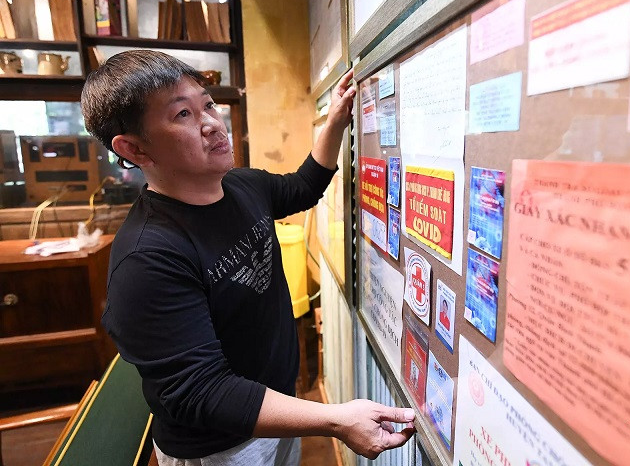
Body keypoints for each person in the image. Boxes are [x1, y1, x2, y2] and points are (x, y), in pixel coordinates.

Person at [81, 50, 415, 466]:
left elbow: (303, 187)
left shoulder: (241, 185)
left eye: (208, 105)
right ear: (134, 149)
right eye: (183, 114)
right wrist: (333, 420)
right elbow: (203, 391)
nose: (211, 123)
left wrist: (334, 122)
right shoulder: (146, 259)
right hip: (218, 448)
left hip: (279, 412)